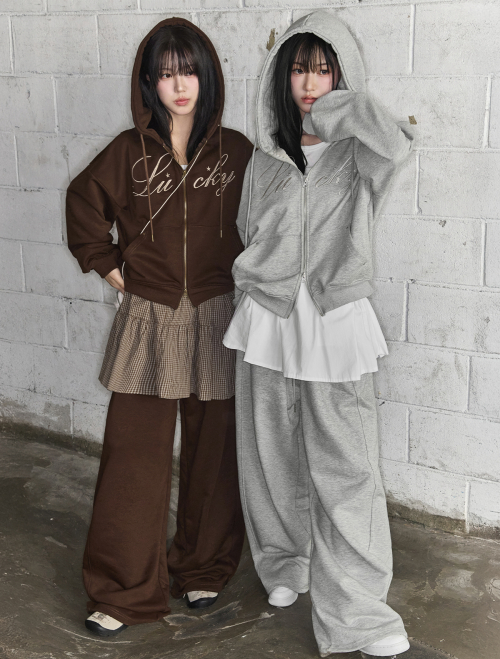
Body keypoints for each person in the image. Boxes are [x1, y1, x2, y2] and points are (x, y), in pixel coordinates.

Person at [223, 10, 415, 658]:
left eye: (324, 69)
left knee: (347, 469)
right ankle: (285, 561)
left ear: (341, 75)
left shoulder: (361, 153)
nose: (309, 83)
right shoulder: (264, 160)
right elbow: (250, 228)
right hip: (268, 318)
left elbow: (398, 145)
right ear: (282, 76)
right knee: (270, 455)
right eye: (300, 69)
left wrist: (340, 110)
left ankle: (360, 615)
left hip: (335, 321)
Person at [66, 17, 253, 637]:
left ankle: (202, 567)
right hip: (150, 317)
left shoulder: (237, 153)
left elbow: (269, 224)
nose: (179, 85)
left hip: (218, 314)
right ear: (149, 82)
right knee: (134, 456)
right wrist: (112, 268)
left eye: (189, 71)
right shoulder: (128, 151)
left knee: (214, 453)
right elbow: (83, 205)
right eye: (166, 73)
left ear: (207, 77)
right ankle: (123, 590)